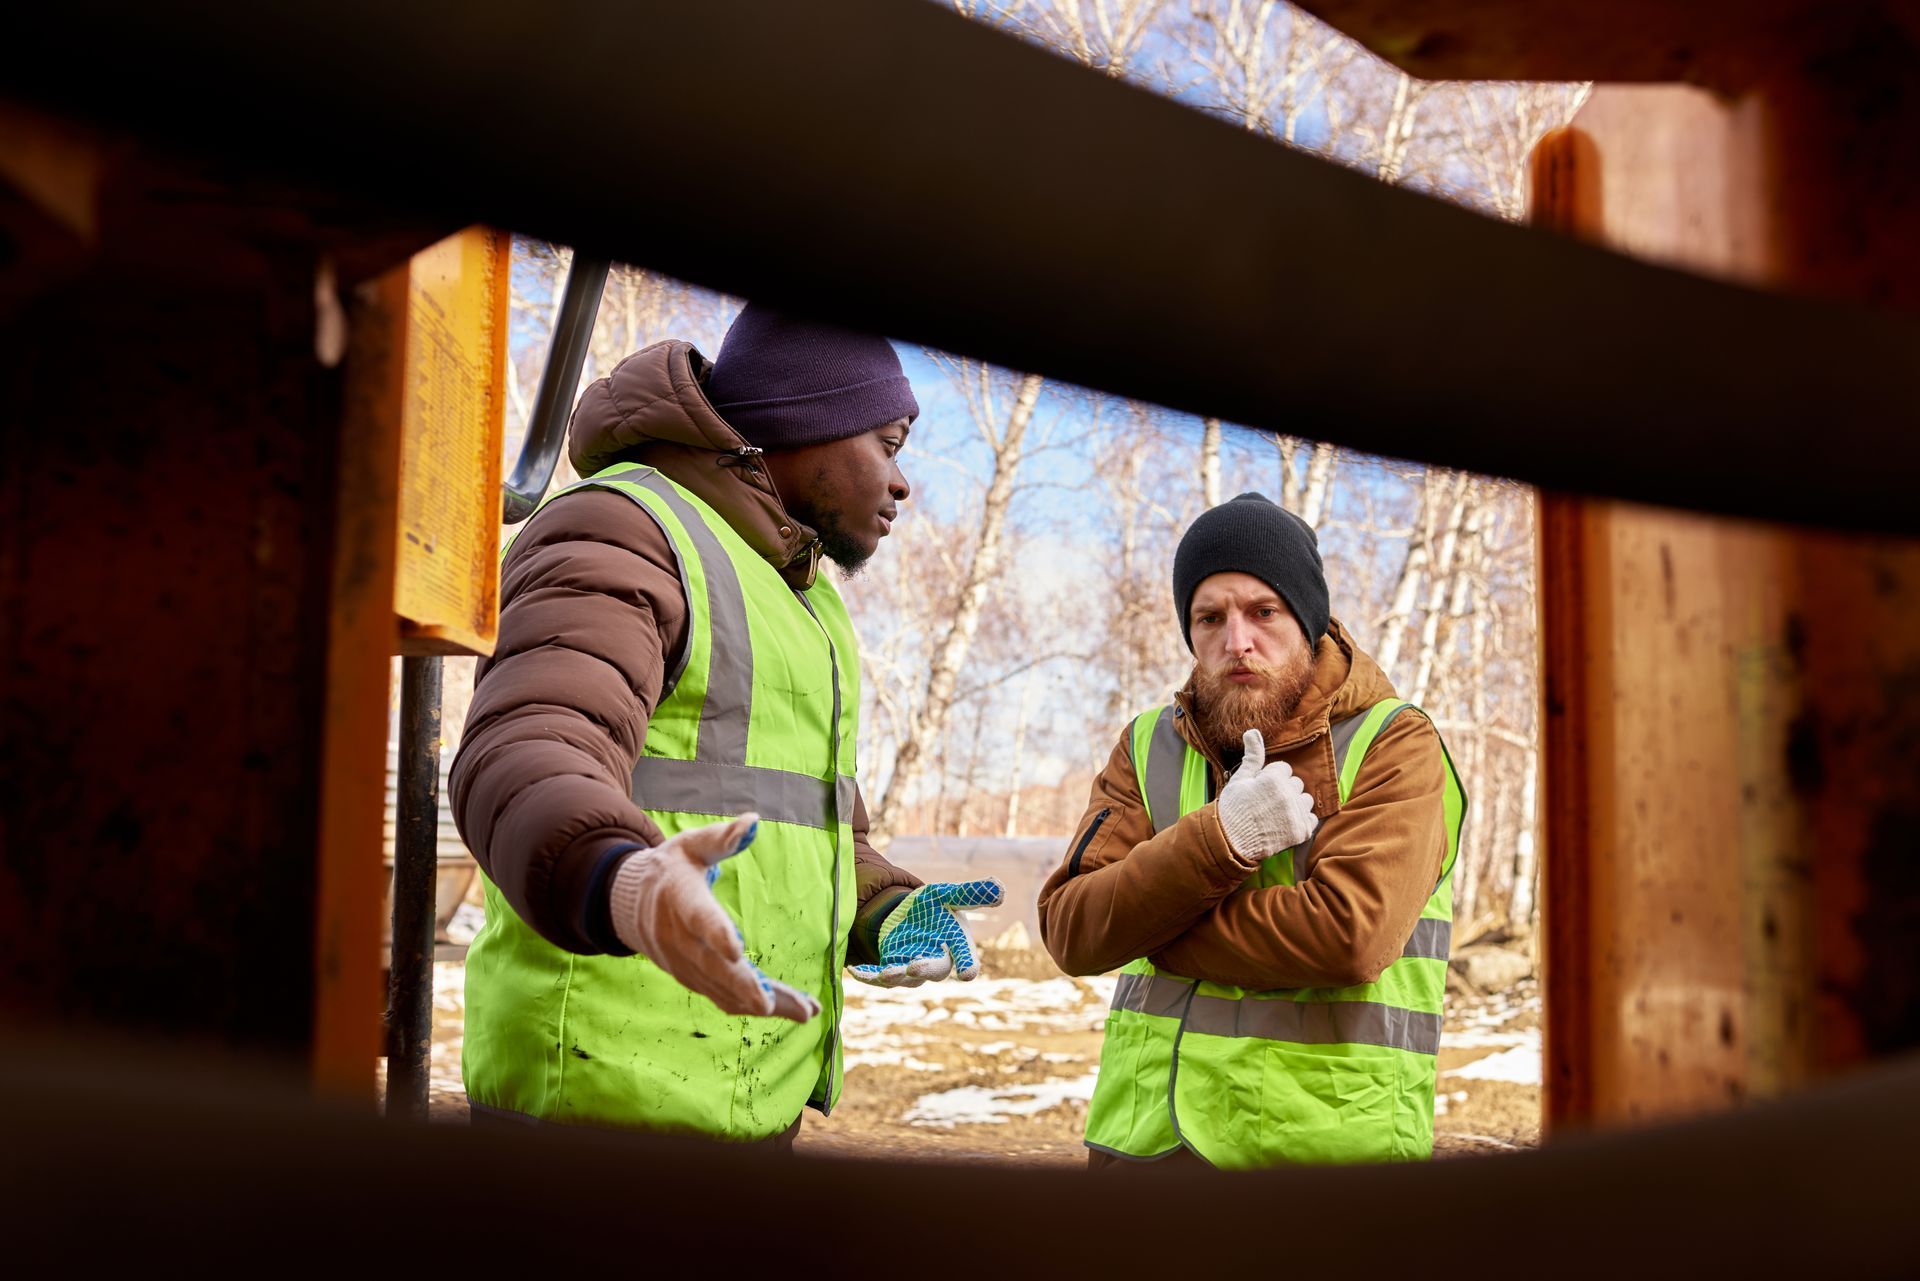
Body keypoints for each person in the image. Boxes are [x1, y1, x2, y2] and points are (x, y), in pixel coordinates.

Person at [452, 304, 1001, 1146]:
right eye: (888, 445)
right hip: (602, 1104)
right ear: (804, 422)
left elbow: (803, 822)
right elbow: (530, 745)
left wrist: (882, 905)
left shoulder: (803, 599)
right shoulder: (624, 527)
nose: (902, 484)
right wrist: (619, 879)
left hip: (749, 1100)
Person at [1038, 492, 1464, 1169]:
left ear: (1307, 620)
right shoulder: (1148, 744)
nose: (1236, 642)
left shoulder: (1394, 741)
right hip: (1142, 1153)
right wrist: (1221, 841)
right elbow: (1071, 928)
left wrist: (1152, 925)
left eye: (1263, 611)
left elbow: (1350, 936)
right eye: (1209, 617)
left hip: (1318, 1161)